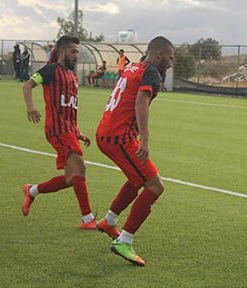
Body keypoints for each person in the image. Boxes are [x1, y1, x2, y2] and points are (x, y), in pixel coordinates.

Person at [95, 36, 174, 266]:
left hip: (106, 132)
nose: (170, 63)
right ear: (159, 54)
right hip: (120, 137)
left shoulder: (133, 66)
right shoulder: (151, 72)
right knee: (155, 186)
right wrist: (145, 139)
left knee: (135, 179)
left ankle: (109, 221)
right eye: (170, 57)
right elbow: (141, 101)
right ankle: (124, 240)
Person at [21, 35, 96, 229]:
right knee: (80, 168)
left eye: (77, 52)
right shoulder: (51, 70)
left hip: (69, 130)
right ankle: (88, 219)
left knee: (72, 178)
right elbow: (27, 85)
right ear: (62, 51)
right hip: (57, 129)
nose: (76, 55)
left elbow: (69, 107)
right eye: (73, 51)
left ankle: (32, 190)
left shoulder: (72, 76)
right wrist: (30, 106)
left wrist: (77, 131)